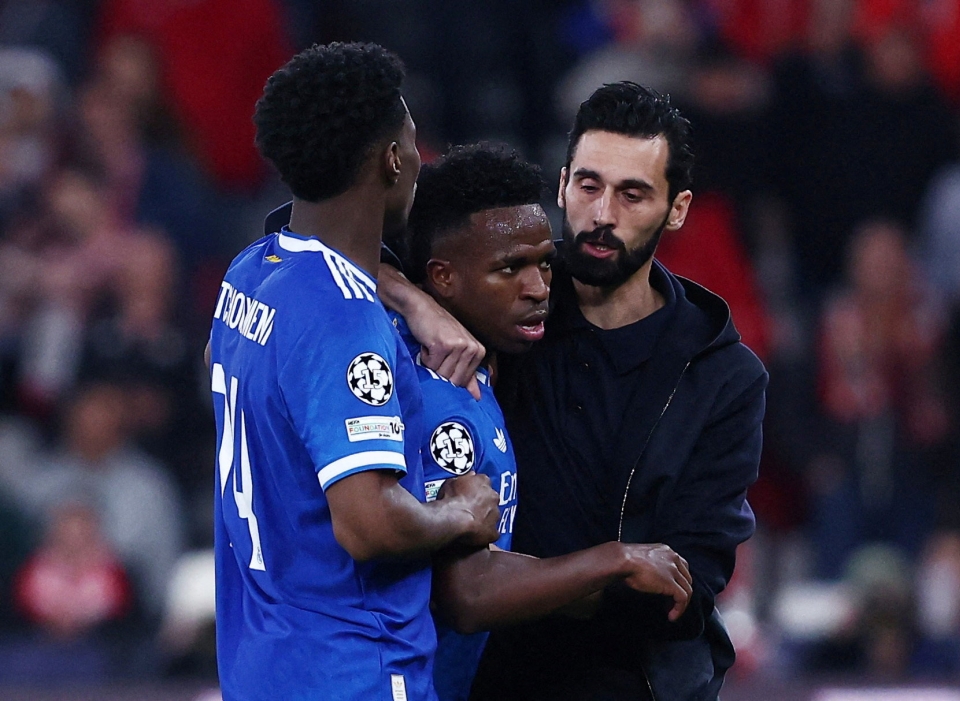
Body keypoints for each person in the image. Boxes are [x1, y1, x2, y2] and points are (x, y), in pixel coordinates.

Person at [378, 82, 766, 700]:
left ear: (678, 208)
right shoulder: (503, 288)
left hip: (627, 683)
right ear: (562, 185)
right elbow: (320, 241)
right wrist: (415, 302)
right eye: (589, 185)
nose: (602, 214)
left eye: (632, 194)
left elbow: (681, 589)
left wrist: (505, 583)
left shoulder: (723, 379)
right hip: (484, 675)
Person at [208, 43, 500, 701]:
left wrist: (403, 295)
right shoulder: (344, 321)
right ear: (392, 160)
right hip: (354, 670)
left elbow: (235, 360)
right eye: (413, 146)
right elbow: (368, 524)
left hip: (261, 666)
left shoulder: (252, 271)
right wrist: (463, 513)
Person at [395, 142, 694, 701]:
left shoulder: (484, 363)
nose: (538, 288)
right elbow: (466, 593)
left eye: (544, 264)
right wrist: (615, 560)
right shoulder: (439, 395)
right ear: (442, 278)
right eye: (509, 269)